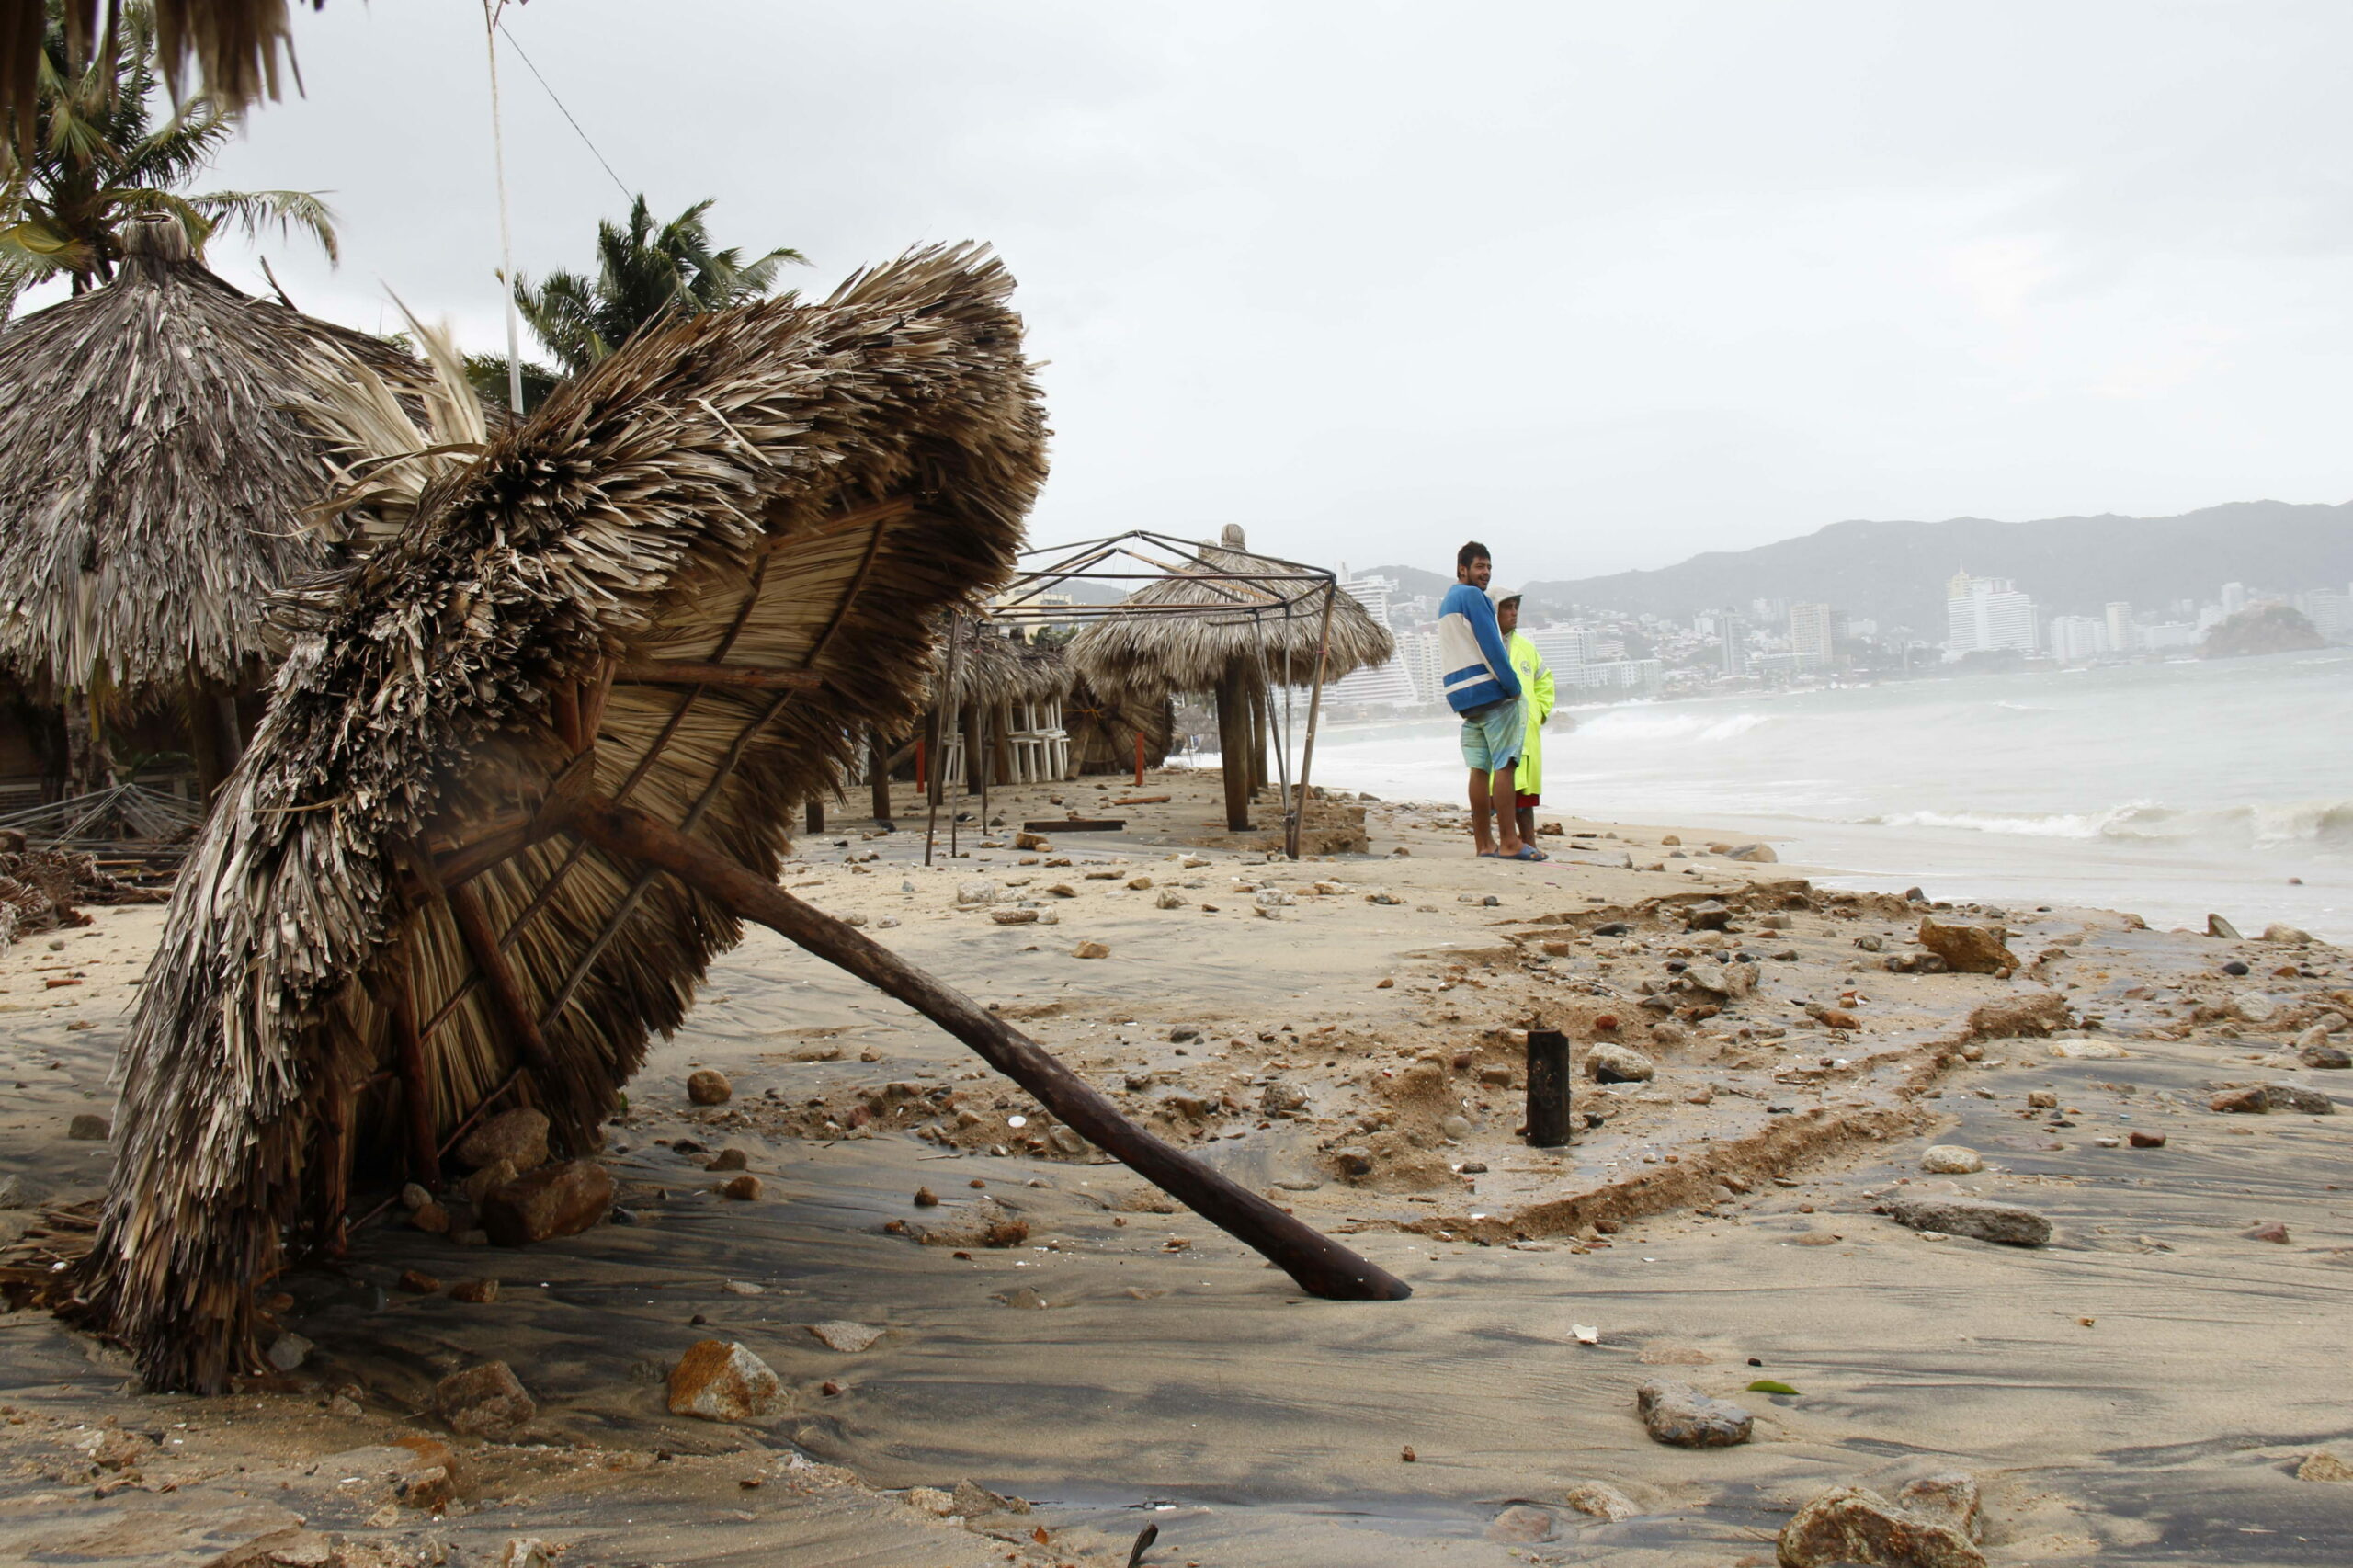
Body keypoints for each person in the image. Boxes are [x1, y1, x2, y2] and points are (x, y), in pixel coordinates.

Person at [1438, 540, 1539, 860]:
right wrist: (1513, 687)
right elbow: (1491, 643)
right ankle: (1510, 842)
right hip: (1490, 693)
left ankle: (1484, 844)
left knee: (1478, 770)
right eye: (1480, 567)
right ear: (1462, 569)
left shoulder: (1446, 602)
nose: (1486, 574)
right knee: (1505, 766)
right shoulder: (1473, 597)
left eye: (1489, 567)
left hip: (1463, 698)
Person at [1494, 588, 1555, 848]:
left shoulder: (1526, 647)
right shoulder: (1483, 643)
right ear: (1493, 611)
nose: (1514, 612)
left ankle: (1530, 842)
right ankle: (1501, 843)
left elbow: (1545, 681)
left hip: (1526, 730)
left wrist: (1539, 712)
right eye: (1507, 607)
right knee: (1498, 791)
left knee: (1526, 795)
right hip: (1497, 729)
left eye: (1516, 606)